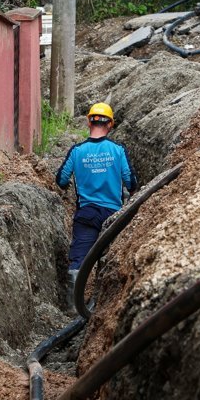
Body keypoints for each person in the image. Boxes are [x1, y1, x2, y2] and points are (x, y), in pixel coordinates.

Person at [56, 102, 138, 304]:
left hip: (87, 214)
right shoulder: (118, 150)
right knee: (113, 259)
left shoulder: (77, 151)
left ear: (89, 122)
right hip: (113, 218)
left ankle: (73, 308)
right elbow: (131, 182)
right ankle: (108, 303)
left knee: (78, 260)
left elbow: (61, 179)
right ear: (110, 124)